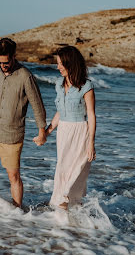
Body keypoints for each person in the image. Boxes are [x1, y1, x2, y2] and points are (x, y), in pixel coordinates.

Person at [0, 38, 47, 208]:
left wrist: (42, 131)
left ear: (14, 56)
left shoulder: (26, 77)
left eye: (6, 62)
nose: (3, 66)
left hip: (11, 134)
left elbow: (37, 105)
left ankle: (16, 214)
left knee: (13, 177)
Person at [45, 45, 96, 210]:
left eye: (61, 63)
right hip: (64, 131)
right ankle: (67, 211)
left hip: (80, 130)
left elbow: (91, 115)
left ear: (71, 63)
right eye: (57, 63)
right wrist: (47, 131)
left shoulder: (85, 86)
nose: (58, 67)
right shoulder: (59, 84)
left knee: (76, 169)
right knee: (63, 169)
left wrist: (91, 143)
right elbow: (60, 112)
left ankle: (66, 204)